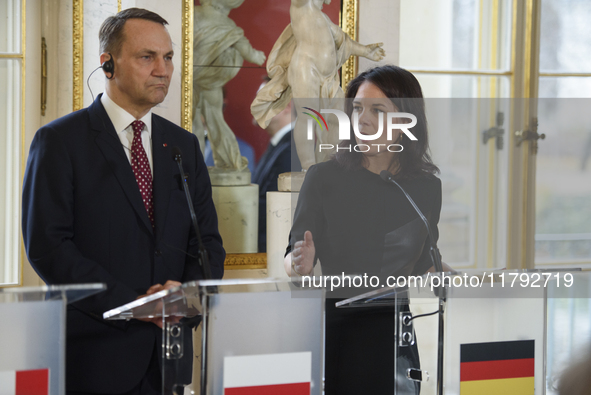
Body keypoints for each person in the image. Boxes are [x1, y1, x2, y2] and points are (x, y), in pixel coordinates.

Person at [22, 8, 225, 395]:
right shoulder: (60, 142)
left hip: (168, 360)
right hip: (94, 358)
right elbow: (48, 248)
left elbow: (208, 244)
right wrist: (132, 305)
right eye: (147, 57)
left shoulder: (182, 146)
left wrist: (181, 297)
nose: (163, 69)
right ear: (108, 64)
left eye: (168, 57)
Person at [284, 65, 448, 394]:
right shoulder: (324, 178)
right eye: (357, 108)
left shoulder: (426, 187)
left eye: (377, 110)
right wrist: (298, 264)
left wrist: (449, 277)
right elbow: (293, 257)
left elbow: (422, 265)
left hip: (396, 337)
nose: (364, 119)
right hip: (339, 332)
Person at [251, 0, 385, 170]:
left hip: (328, 78)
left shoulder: (323, 18)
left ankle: (330, 163)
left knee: (339, 116)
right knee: (308, 116)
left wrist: (366, 51)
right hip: (305, 69)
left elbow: (344, 42)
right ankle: (308, 167)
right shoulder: (302, 7)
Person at [193, 0, 266, 170]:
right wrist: (257, 56)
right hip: (208, 81)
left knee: (194, 120)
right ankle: (225, 160)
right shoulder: (226, 23)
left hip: (193, 80)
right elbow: (247, 51)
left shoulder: (193, 15)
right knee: (214, 119)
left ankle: (194, 163)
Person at [252, 77, 301, 252]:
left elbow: (275, 212)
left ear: (287, 106)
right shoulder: (281, 146)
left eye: (263, 100)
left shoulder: (291, 150)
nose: (255, 107)